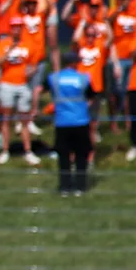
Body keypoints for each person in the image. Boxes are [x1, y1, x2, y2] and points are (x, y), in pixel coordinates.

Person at [48, 59, 95, 194]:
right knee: (81, 154)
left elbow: (41, 90)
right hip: (80, 120)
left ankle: (64, 186)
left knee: (63, 155)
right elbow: (92, 96)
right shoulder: (83, 78)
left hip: (62, 121)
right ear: (75, 64)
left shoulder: (54, 78)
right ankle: (80, 186)